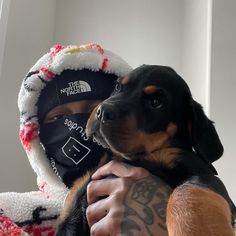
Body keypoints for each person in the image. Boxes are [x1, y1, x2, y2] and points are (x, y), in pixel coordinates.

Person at [0, 43, 172, 235]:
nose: (77, 126)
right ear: (37, 134)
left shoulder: (180, 199)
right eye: (58, 117)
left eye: (94, 111)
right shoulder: (7, 211)